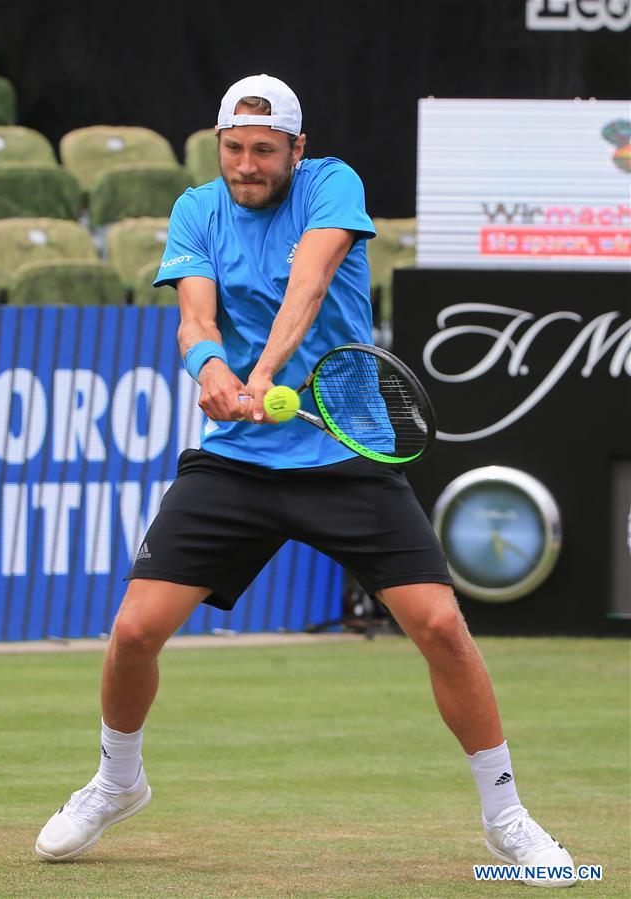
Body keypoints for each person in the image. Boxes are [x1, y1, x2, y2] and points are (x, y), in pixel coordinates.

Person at [35, 74, 575, 888]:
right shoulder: (197, 209)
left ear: (296, 148)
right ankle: (117, 780)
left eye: (263, 150)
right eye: (233, 148)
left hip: (342, 448)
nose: (246, 165)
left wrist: (264, 371)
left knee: (439, 626)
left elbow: (309, 285)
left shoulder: (333, 184)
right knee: (136, 629)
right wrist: (210, 367)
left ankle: (505, 817)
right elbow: (194, 317)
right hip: (237, 461)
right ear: (217, 144)